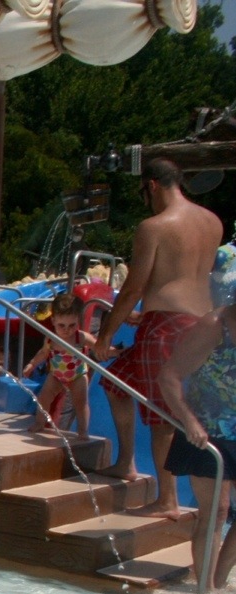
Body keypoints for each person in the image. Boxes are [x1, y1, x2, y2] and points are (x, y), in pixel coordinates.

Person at [93, 157, 222, 517]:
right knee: (116, 382)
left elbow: (134, 286)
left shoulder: (154, 227)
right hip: (201, 324)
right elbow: (184, 275)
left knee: (162, 414)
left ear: (151, 185)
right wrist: (145, 313)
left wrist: (106, 334)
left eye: (143, 194)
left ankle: (167, 499)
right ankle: (126, 462)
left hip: (164, 328)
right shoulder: (212, 222)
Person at [157, 304, 236, 591]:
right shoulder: (214, 326)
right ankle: (206, 593)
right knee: (216, 511)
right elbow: (169, 376)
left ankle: (218, 581)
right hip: (207, 431)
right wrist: (188, 421)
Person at [20, 291, 96, 440]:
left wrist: (112, 350)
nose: (67, 329)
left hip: (77, 375)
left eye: (72, 325)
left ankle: (83, 431)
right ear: (53, 321)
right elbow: (43, 353)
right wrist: (32, 364)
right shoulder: (51, 338)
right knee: (44, 398)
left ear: (78, 321)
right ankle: (39, 423)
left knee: (81, 403)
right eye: (62, 325)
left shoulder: (80, 337)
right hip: (56, 375)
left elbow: (98, 345)